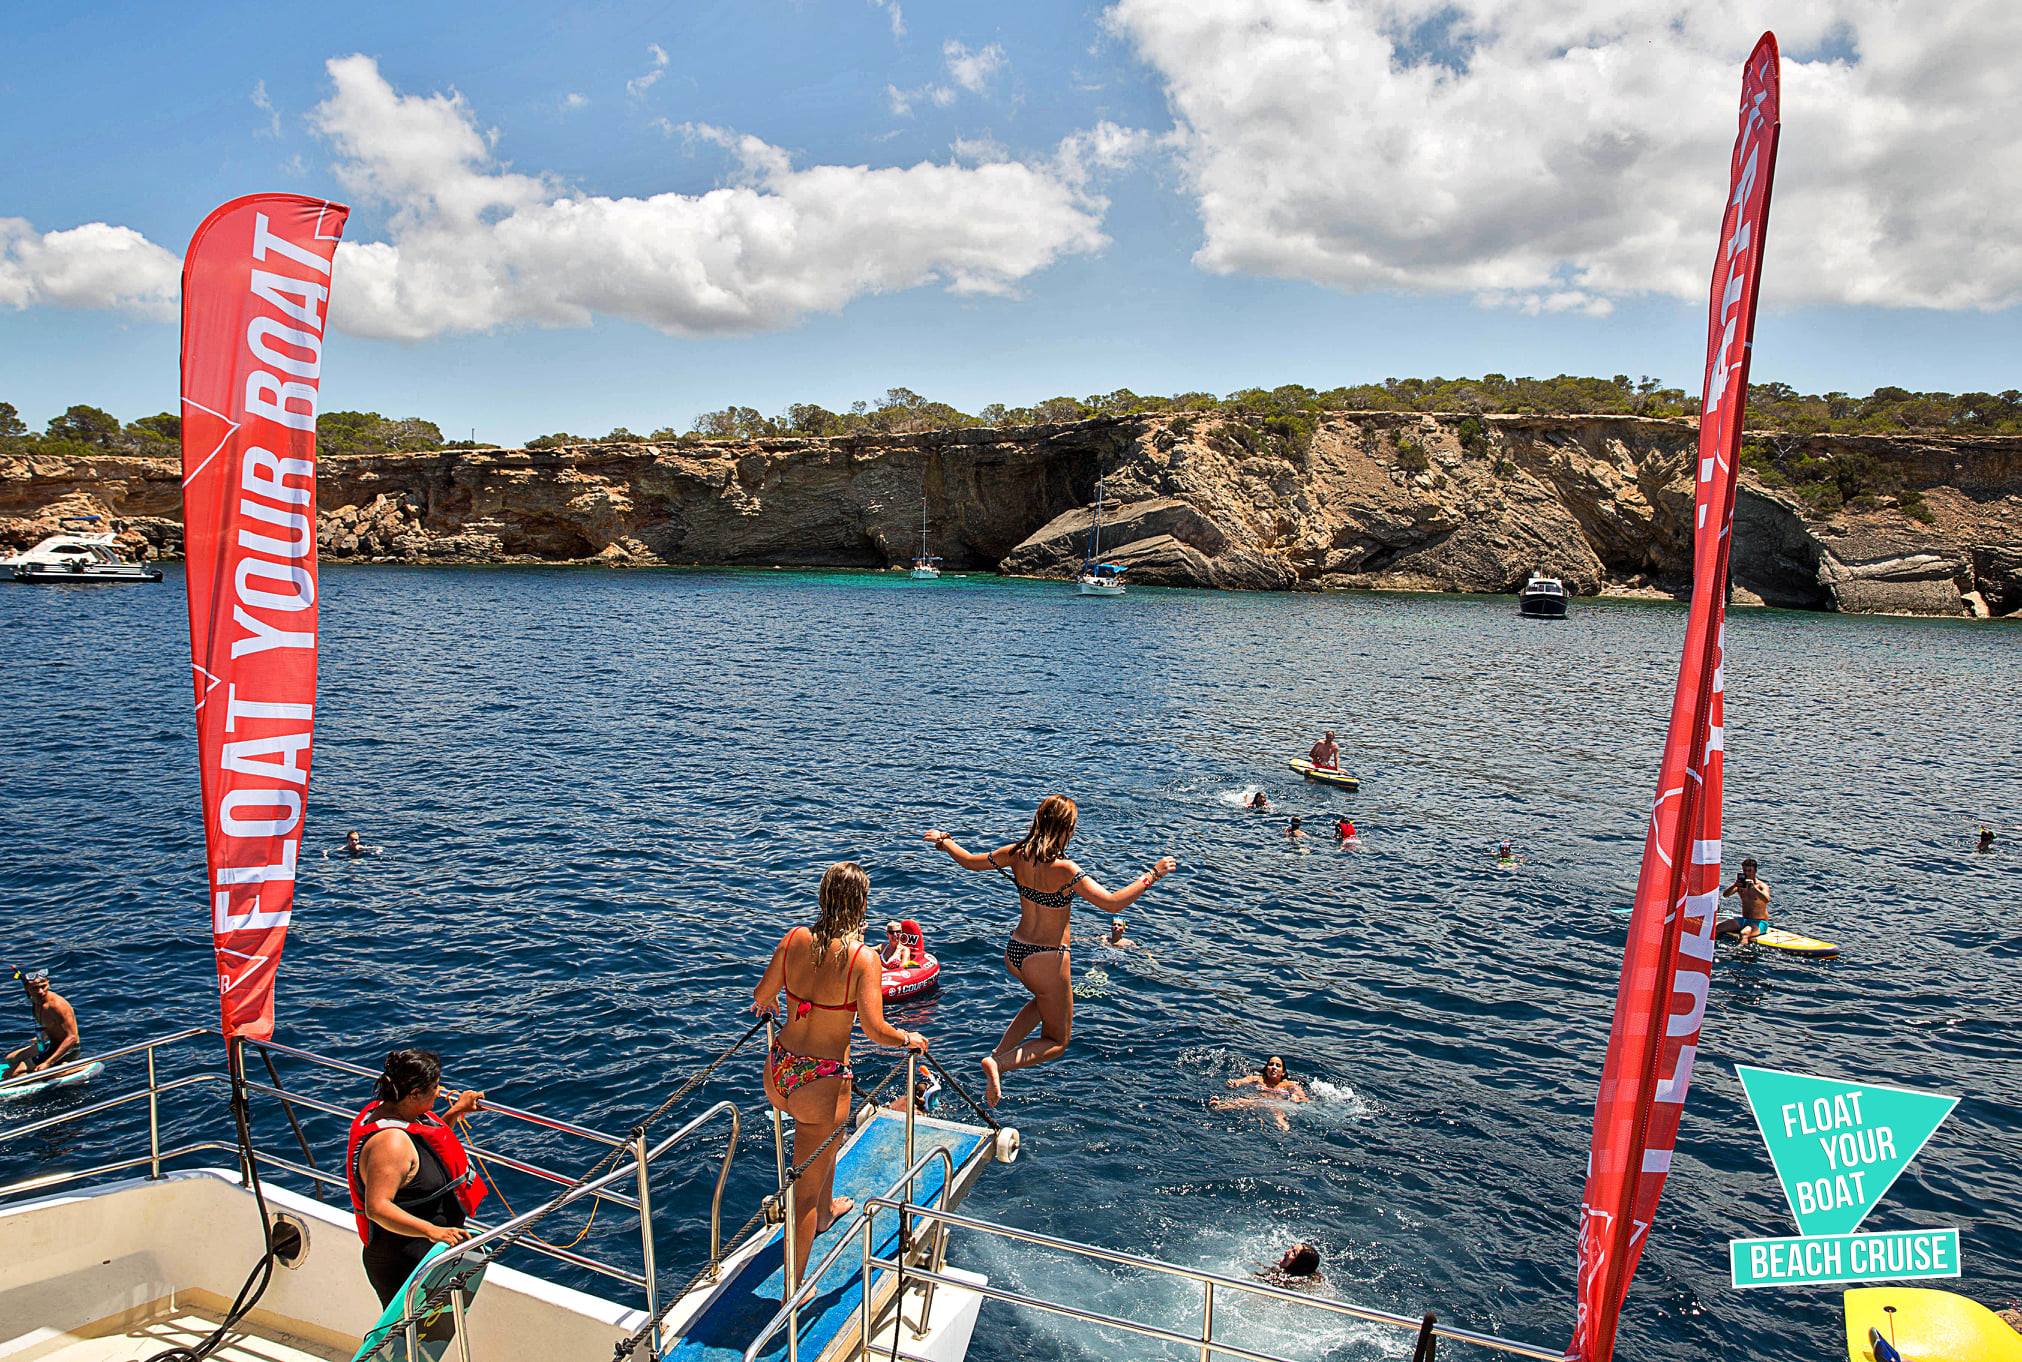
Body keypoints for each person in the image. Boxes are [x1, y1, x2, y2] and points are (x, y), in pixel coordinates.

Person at [924, 795, 1177, 1104]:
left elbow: (970, 862)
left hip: (1015, 951)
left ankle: (998, 1055)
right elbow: (1112, 903)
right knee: (1057, 1041)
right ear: (1066, 829)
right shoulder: (1066, 870)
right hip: (1046, 959)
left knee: (1041, 1001)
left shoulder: (1016, 854)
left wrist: (944, 841)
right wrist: (1153, 873)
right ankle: (998, 1064)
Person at [753, 862, 927, 1287]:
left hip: (779, 1070)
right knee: (802, 1194)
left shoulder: (795, 938)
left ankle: (827, 1213)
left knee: (825, 1148)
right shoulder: (862, 959)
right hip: (822, 1080)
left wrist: (779, 1006)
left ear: (823, 896)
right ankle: (789, 1299)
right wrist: (908, 1038)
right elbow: (874, 1030)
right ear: (861, 904)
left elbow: (761, 997)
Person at [346, 1049, 488, 1327]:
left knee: (424, 1338)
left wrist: (455, 1112)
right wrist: (434, 1231)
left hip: (426, 1254)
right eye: (434, 1088)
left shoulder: (405, 1116)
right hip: (403, 1261)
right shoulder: (390, 1143)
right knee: (409, 1340)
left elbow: (427, 1152)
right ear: (413, 1094)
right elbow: (378, 1207)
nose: (439, 1092)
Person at [4, 968, 80, 1080]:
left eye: (43, 986)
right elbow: (53, 1024)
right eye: (35, 988)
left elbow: (72, 1037)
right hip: (50, 1044)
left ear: (48, 983)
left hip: (68, 1049)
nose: (40, 991)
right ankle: (48, 1067)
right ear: (27, 988)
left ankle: (70, 1068)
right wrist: (43, 1036)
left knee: (11, 1076)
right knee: (10, 1058)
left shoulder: (57, 1005)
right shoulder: (36, 1000)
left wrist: (48, 1063)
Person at [1211, 1055, 1311, 1131]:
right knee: (1243, 1101)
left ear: (1283, 1072)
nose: (1274, 1067)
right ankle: (1218, 1105)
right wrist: (1235, 1083)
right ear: (1266, 1068)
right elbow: (1242, 1081)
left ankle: (1284, 1129)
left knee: (1278, 1113)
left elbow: (1304, 1098)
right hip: (1258, 1101)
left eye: (1278, 1065)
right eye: (1271, 1064)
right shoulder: (1258, 1079)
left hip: (1277, 1104)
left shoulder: (1289, 1084)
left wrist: (1297, 1098)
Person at [1717, 857, 1772, 944]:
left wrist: (1754, 888)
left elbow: (1767, 899)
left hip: (1759, 922)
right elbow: (1725, 895)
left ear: (1755, 871)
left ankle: (1741, 953)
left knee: (1744, 933)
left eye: (1749, 871)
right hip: (1744, 919)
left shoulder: (1761, 886)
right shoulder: (1741, 885)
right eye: (1744, 871)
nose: (1747, 873)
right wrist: (1735, 885)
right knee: (1719, 928)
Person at [1257, 1243, 1324, 1290]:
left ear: (1300, 1264)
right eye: (1291, 1248)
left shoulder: (1283, 1280)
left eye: (1293, 1253)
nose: (1287, 1251)